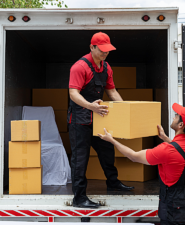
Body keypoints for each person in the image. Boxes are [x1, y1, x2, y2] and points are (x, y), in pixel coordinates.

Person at [98, 103, 185, 225]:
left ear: (181, 125)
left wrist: (111, 140)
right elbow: (180, 152)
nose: (174, 116)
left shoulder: (166, 150)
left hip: (174, 210)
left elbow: (133, 156)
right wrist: (164, 137)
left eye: (177, 115)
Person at [68, 32, 134, 209]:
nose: (105, 53)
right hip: (79, 121)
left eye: (108, 50)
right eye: (102, 50)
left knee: (107, 150)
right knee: (80, 160)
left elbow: (112, 92)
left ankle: (112, 183)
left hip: (98, 118)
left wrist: (125, 110)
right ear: (92, 47)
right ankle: (79, 198)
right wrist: (91, 106)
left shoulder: (106, 68)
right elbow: (73, 93)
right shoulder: (79, 67)